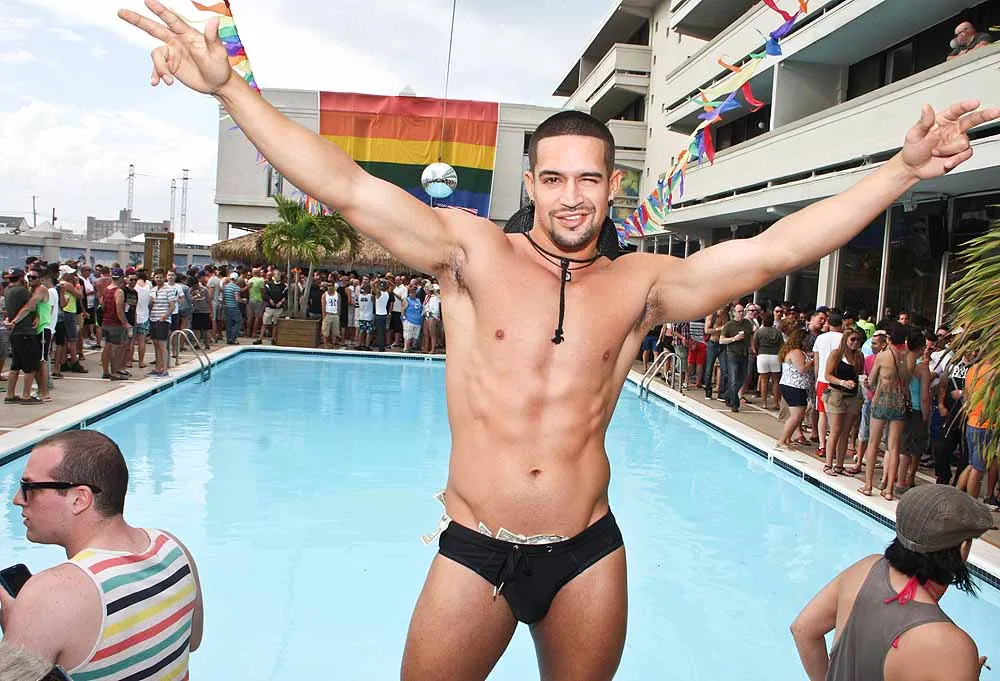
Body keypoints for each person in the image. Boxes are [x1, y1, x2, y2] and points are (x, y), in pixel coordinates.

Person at [118, 4, 997, 674]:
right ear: (531, 184)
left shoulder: (642, 283)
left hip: (587, 552)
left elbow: (775, 249)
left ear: (613, 186)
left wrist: (902, 169)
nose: (572, 196)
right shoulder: (469, 254)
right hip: (476, 545)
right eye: (553, 179)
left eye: (588, 179)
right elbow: (346, 185)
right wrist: (231, 89)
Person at [0, 430, 204, 680]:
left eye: (29, 487)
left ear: (79, 499)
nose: (17, 499)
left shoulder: (49, 594)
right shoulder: (174, 549)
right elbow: (192, 642)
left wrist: (19, 644)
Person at [791, 484, 993, 681]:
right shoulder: (953, 648)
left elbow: (803, 629)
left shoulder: (865, 568)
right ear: (963, 548)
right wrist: (966, 671)